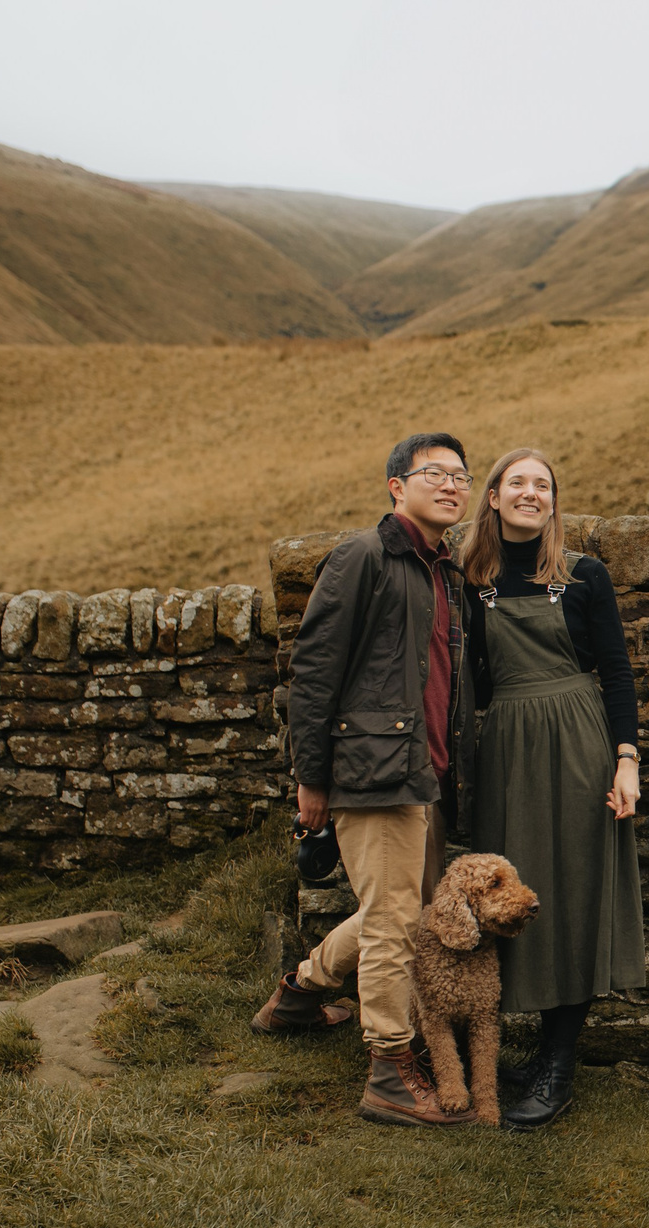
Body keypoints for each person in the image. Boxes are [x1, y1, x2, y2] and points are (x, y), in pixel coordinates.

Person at [253, 431, 487, 1127]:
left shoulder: (440, 569)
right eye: (434, 473)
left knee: (400, 911)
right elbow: (315, 670)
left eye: (460, 476)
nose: (451, 485)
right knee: (396, 923)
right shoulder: (363, 556)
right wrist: (311, 779)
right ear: (397, 486)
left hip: (424, 774)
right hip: (374, 772)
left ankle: (300, 991)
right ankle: (391, 1069)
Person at [462, 447, 645, 1128]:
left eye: (542, 484)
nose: (530, 493)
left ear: (552, 500)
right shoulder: (470, 580)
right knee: (516, 891)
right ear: (494, 497)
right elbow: (471, 682)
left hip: (577, 742)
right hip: (508, 746)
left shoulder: (583, 576)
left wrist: (625, 760)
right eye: (518, 482)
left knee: (571, 893)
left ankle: (559, 1065)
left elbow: (619, 675)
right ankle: (538, 1052)